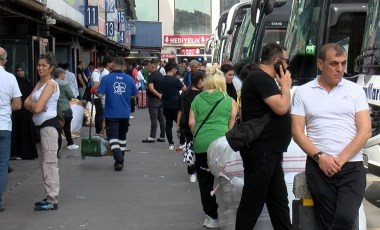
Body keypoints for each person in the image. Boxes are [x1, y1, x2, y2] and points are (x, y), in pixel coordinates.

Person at [291, 43, 371, 229]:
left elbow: (365, 130)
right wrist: (320, 158)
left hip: (351, 166)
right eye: (334, 63)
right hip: (318, 166)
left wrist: (339, 160)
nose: (340, 69)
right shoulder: (303, 92)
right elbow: (297, 132)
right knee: (327, 221)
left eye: (343, 63)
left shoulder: (355, 90)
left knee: (344, 218)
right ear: (320, 64)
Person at [236, 42, 292, 229]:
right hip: (262, 152)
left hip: (271, 152)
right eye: (286, 61)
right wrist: (285, 85)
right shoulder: (260, 78)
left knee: (279, 203)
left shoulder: (263, 79)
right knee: (253, 202)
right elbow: (281, 107)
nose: (287, 66)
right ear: (277, 61)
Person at [189, 66, 238, 229]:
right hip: (223, 145)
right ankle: (226, 214)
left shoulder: (197, 99)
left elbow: (191, 123)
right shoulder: (230, 101)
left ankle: (211, 217)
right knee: (224, 179)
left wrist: (199, 135)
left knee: (205, 181)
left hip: (202, 144)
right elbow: (232, 126)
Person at [24, 52, 61, 211]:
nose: (40, 68)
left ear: (51, 67)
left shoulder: (51, 84)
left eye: (44, 65)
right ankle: (48, 196)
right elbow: (26, 103)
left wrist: (34, 106)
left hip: (48, 128)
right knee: (43, 163)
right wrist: (34, 106)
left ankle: (53, 199)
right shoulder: (39, 83)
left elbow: (37, 107)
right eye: (39, 65)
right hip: (39, 128)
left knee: (50, 164)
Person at [96, 57, 138, 171]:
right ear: (123, 65)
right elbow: (135, 94)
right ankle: (120, 162)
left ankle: (119, 158)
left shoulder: (106, 78)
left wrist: (95, 90)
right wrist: (125, 97)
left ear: (113, 65)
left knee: (112, 137)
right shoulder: (129, 79)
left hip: (111, 112)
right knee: (122, 137)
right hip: (125, 113)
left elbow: (99, 94)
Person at [0, 47, 22, 212]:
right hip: (4, 127)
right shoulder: (10, 78)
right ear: (5, 61)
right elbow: (17, 104)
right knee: (2, 165)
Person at [178, 70, 206, 183]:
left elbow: (180, 110)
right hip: (201, 125)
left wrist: (179, 125)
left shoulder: (185, 93)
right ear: (200, 81)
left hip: (187, 125)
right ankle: (200, 170)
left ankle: (192, 172)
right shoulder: (203, 95)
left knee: (190, 147)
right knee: (201, 148)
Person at [11, 64, 37, 160]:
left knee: (27, 131)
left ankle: (27, 153)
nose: (20, 72)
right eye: (18, 71)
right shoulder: (14, 82)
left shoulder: (28, 82)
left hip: (27, 111)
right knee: (17, 131)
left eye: (22, 70)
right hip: (17, 112)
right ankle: (16, 153)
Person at [160, 62, 186, 150]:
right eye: (175, 69)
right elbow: (184, 89)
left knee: (168, 124)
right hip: (176, 105)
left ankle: (171, 144)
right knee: (182, 124)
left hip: (166, 105)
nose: (176, 70)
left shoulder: (162, 80)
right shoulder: (175, 80)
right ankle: (182, 143)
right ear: (171, 70)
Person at [53, 67, 78, 150]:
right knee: (67, 127)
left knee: (58, 128)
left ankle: (56, 146)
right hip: (65, 108)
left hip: (55, 109)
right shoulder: (64, 84)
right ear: (60, 74)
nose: (64, 76)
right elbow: (70, 96)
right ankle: (70, 143)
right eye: (63, 74)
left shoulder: (52, 83)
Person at [142, 60, 166, 143]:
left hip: (153, 99)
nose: (146, 67)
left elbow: (151, 88)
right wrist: (161, 95)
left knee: (154, 118)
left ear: (152, 66)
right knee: (161, 118)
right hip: (161, 100)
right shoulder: (160, 75)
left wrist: (158, 95)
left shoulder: (151, 76)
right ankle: (162, 136)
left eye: (148, 66)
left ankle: (152, 137)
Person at [90, 64, 105, 136]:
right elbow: (96, 84)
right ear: (101, 67)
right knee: (100, 113)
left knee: (98, 113)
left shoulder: (96, 73)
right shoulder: (96, 73)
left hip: (97, 95)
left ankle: (98, 129)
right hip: (96, 95)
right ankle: (98, 130)